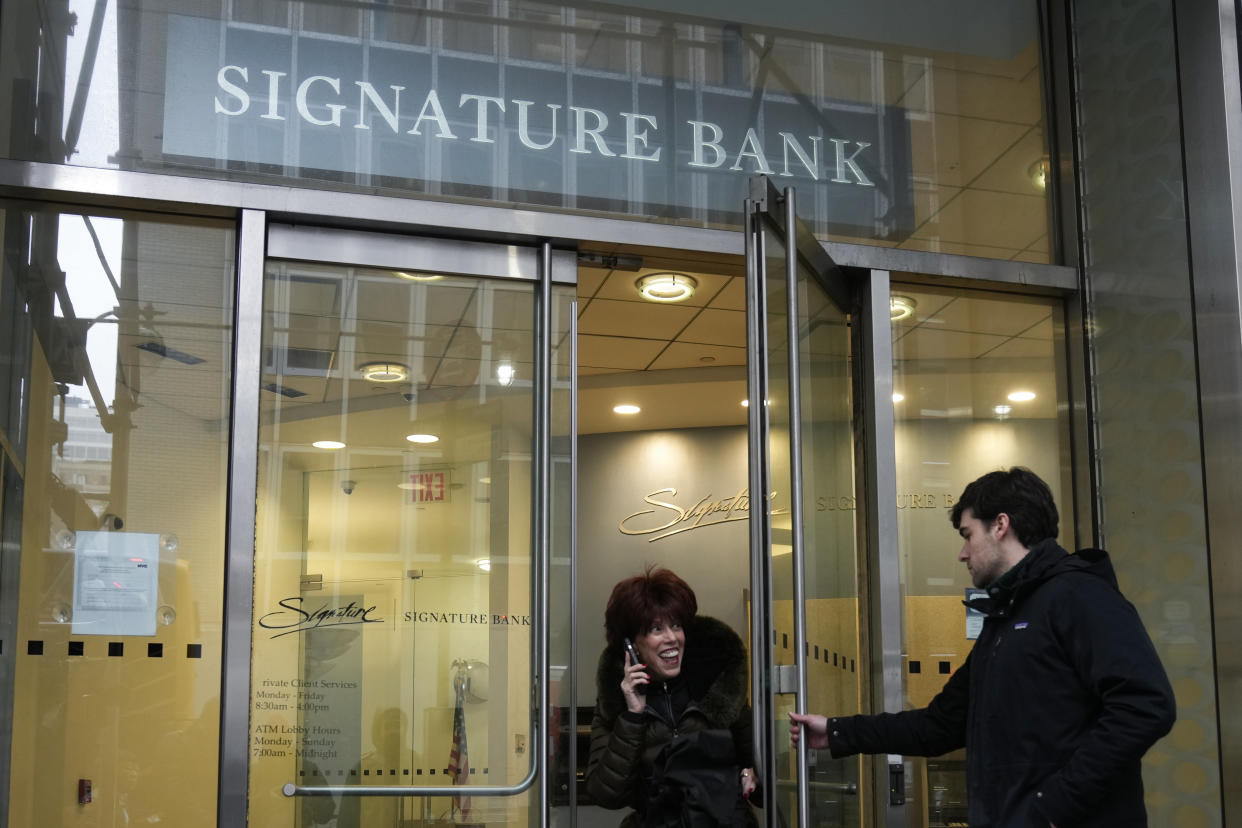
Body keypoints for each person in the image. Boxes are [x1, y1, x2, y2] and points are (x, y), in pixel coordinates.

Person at [790, 467, 1176, 828]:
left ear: (1001, 526)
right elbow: (940, 725)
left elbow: (1145, 705)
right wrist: (838, 732)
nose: (962, 553)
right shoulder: (1005, 619)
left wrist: (1054, 807)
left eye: (967, 535)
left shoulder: (1078, 595)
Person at [586, 566, 760, 827]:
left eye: (676, 625)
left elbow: (764, 778)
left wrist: (753, 776)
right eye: (656, 629)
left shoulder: (718, 685)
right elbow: (605, 795)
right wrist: (633, 716)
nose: (672, 638)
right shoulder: (617, 703)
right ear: (630, 645)